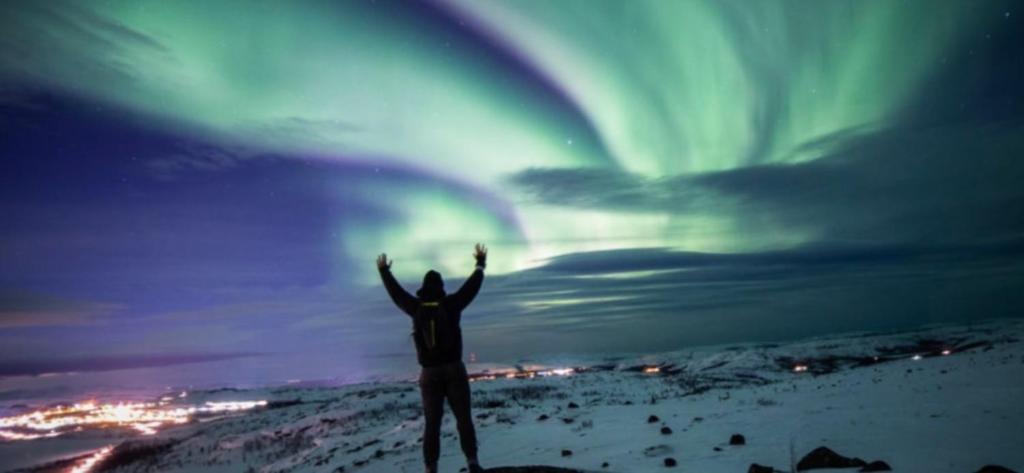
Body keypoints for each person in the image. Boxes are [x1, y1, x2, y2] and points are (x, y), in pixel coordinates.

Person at [377, 243, 488, 473]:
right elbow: (471, 288)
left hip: (429, 374)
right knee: (464, 420)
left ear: (423, 288)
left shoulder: (415, 307)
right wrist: (479, 264)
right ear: (441, 287)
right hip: (454, 369)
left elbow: (396, 294)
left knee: (432, 425)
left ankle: (431, 468)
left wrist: (384, 271)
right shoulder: (451, 304)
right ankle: (472, 463)